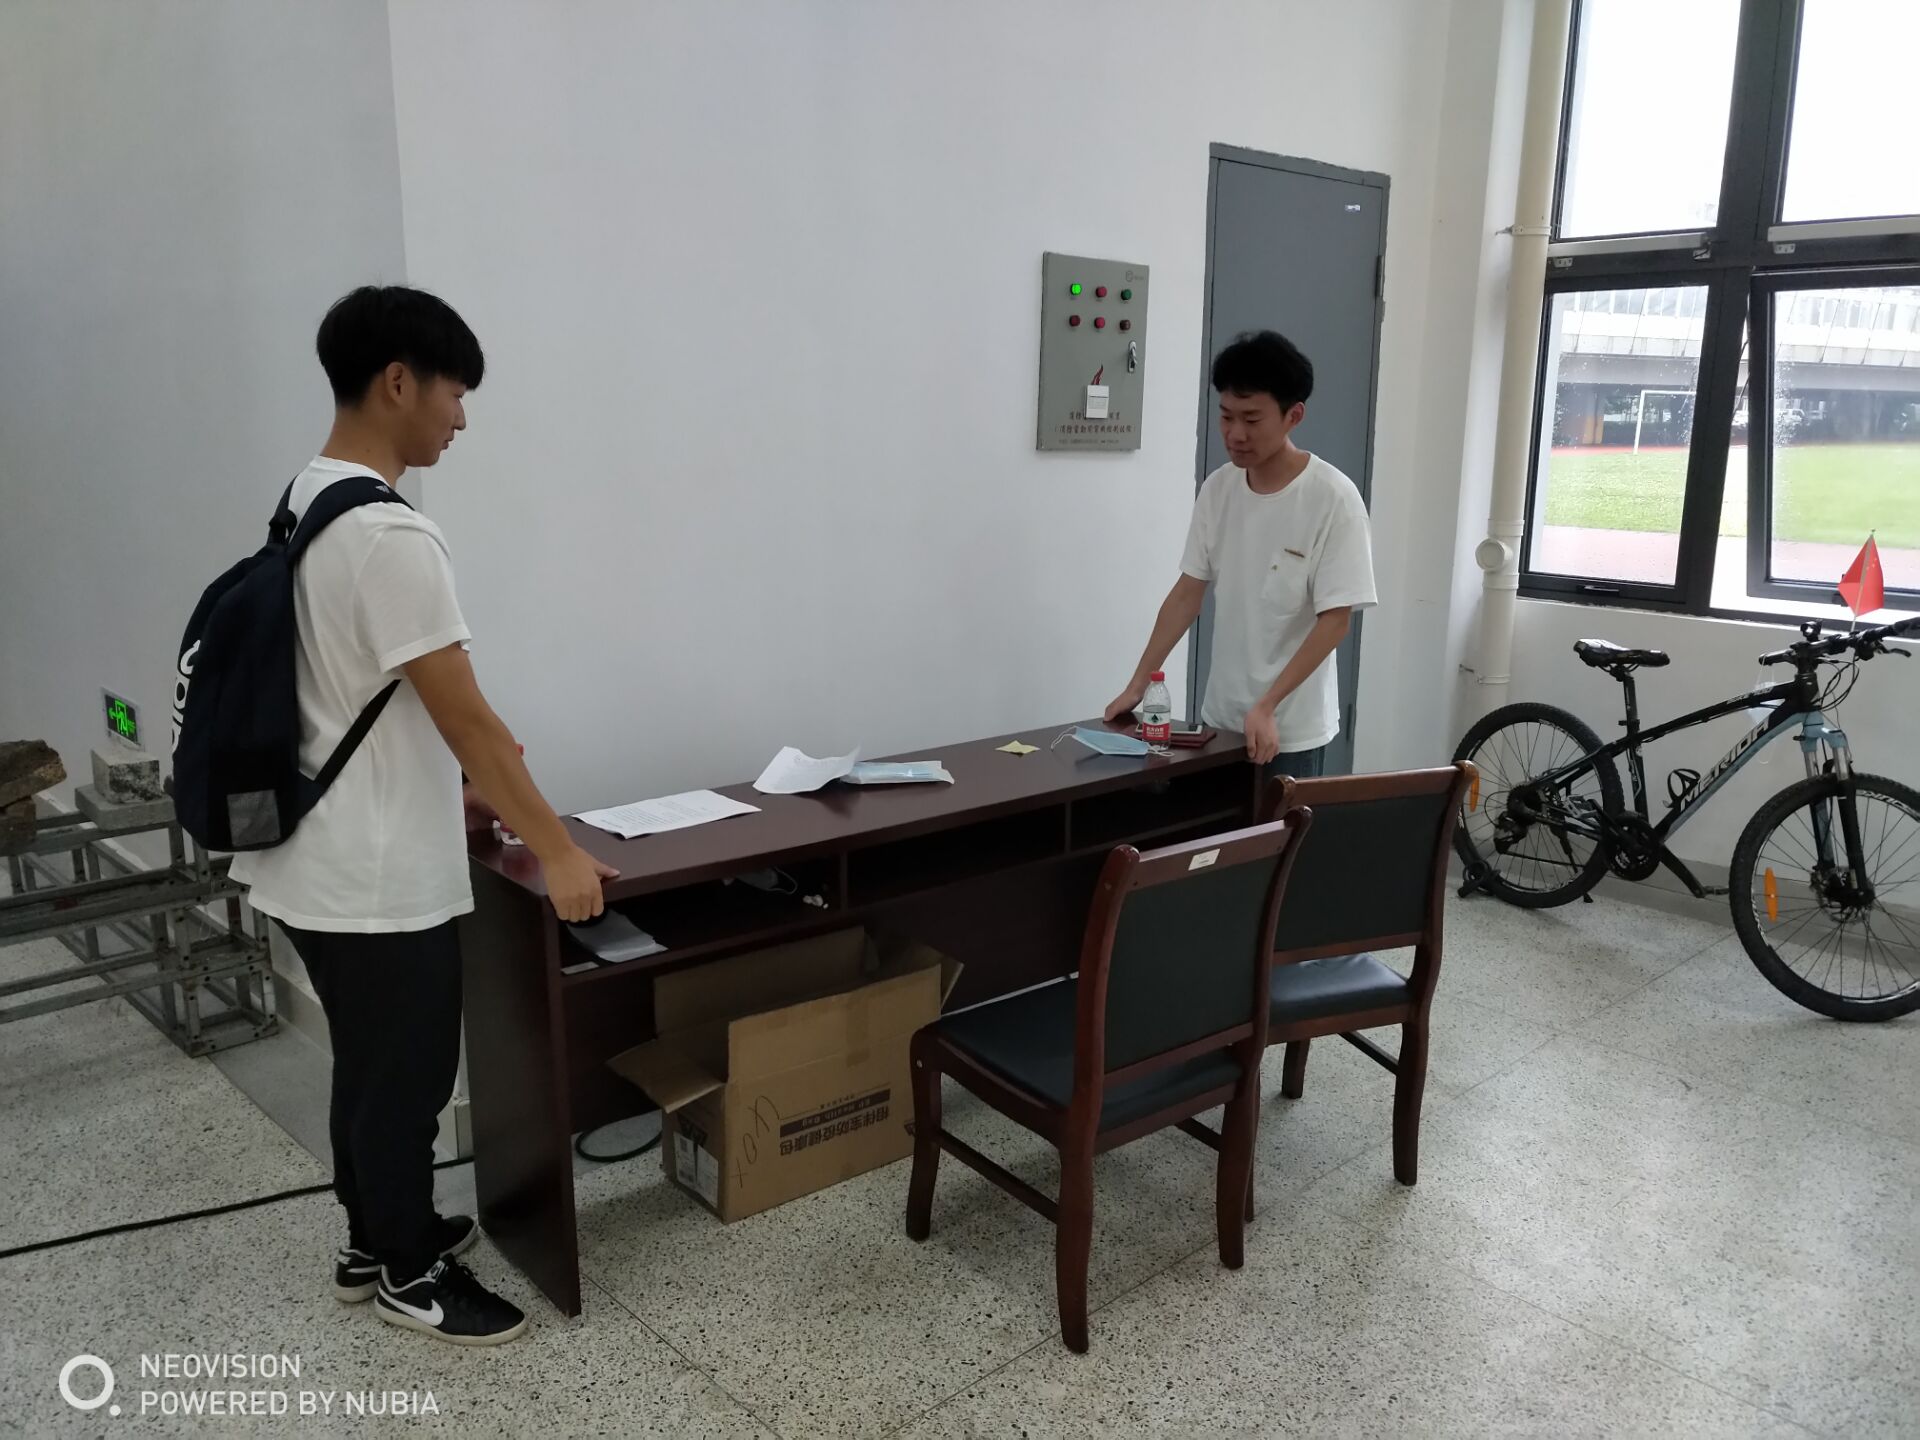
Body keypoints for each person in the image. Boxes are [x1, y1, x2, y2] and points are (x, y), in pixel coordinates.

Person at [230, 285, 618, 1346]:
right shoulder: (389, 534)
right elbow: (468, 718)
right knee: (403, 1080)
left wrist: (462, 790)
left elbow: (348, 692)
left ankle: (373, 1240)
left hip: (310, 857)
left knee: (369, 1065)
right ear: (398, 382)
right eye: (455, 392)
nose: (461, 417)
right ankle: (411, 1273)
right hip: (372, 872)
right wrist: (558, 850)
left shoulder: (306, 501)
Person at [1105, 330, 1376, 776]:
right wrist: (1138, 683)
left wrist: (1268, 705)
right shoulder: (1219, 489)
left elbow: (1335, 621)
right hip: (1221, 722)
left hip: (1288, 731)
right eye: (1226, 416)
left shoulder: (1333, 499)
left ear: (1293, 416)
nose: (1235, 434)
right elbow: (1187, 594)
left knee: (1279, 825)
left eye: (1251, 419)